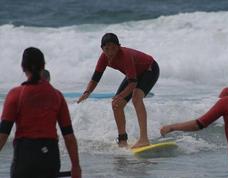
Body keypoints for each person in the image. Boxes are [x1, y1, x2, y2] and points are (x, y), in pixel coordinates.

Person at [0, 47, 81, 178]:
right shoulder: (57, 96)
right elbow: (69, 136)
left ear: (23, 67)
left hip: (25, 157)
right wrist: (76, 166)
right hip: (50, 157)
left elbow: (3, 135)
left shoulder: (15, 94)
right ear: (43, 66)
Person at [77, 33, 159, 148]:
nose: (110, 52)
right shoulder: (103, 57)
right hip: (134, 74)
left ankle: (144, 139)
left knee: (136, 98)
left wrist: (121, 95)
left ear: (119, 47)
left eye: (114, 48)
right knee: (116, 104)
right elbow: (95, 78)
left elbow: (133, 83)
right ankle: (122, 140)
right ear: (102, 48)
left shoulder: (125, 55)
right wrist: (87, 93)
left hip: (150, 69)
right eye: (107, 49)